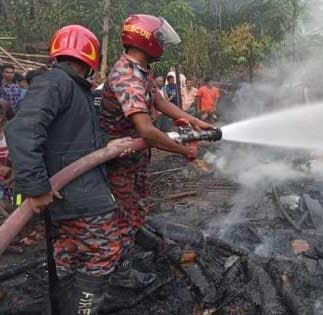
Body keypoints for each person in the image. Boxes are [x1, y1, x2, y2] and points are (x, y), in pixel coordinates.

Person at [5, 25, 133, 314]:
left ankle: (68, 306)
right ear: (92, 59)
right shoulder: (55, 83)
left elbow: (79, 144)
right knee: (104, 251)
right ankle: (84, 309)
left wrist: (113, 149)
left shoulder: (75, 90)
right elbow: (22, 132)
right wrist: (36, 188)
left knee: (69, 253)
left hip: (74, 193)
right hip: (79, 197)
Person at [99, 14, 213, 288]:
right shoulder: (126, 75)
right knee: (124, 215)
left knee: (136, 208)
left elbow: (159, 101)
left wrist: (194, 120)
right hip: (120, 163)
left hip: (135, 160)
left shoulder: (141, 70)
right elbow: (147, 130)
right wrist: (182, 151)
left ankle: (123, 258)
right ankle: (119, 275)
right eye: (159, 39)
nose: (162, 45)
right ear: (146, 40)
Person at [0, 101, 12, 231]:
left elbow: (17, 162)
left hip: (9, 185)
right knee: (3, 217)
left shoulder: (10, 135)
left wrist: (10, 177)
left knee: (17, 204)